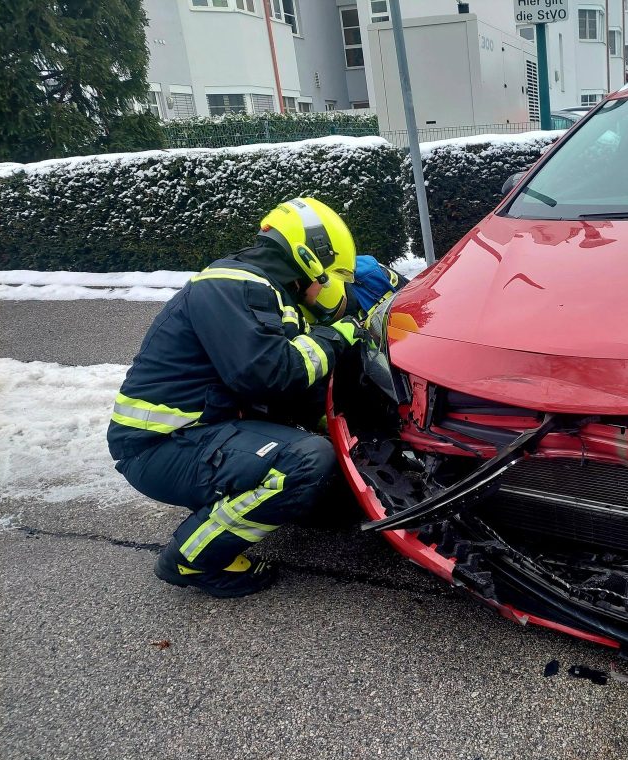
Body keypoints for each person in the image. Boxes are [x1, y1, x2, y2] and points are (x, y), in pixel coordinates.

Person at [107, 197, 405, 598]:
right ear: (311, 260)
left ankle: (255, 503)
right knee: (307, 461)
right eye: (331, 278)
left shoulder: (263, 291)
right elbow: (270, 376)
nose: (330, 291)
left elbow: (288, 392)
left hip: (197, 435)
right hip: (161, 447)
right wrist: (336, 336)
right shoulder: (232, 284)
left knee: (331, 485)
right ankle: (192, 558)